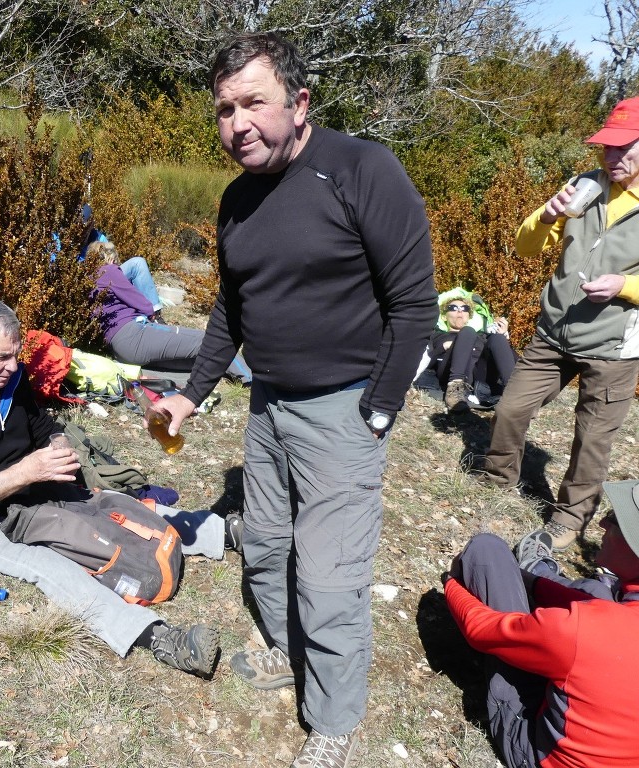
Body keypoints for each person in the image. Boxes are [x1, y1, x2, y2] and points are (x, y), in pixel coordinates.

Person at [155, 33, 437, 767]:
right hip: (268, 407)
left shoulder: (361, 169)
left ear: (300, 102)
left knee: (330, 577)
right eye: (224, 109)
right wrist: (191, 396)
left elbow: (414, 305)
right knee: (268, 549)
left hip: (344, 409)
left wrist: (377, 412)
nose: (237, 123)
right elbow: (230, 309)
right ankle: (287, 649)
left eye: (254, 102)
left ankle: (334, 720)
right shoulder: (237, 199)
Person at [0, 297, 232, 677]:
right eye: (1, 357)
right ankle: (156, 637)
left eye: (16, 355)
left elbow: (40, 425)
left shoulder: (11, 378)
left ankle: (223, 532)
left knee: (108, 503)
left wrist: (57, 443)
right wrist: (25, 472)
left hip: (30, 488)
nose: (12, 366)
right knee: (48, 566)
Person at [476, 96, 639, 552]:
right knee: (510, 408)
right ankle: (498, 476)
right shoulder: (584, 185)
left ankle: (569, 518)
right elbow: (527, 247)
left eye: (624, 148)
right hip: (554, 330)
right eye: (606, 147)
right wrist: (547, 215)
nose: (611, 158)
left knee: (592, 438)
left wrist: (624, 285)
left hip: (613, 346)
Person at [443, 478, 639, 768]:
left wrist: (452, 585)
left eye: (614, 521)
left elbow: (480, 629)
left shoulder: (584, 627)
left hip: (538, 755)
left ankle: (534, 567)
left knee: (487, 550)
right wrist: (533, 584)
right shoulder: (600, 621)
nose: (602, 527)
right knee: (598, 591)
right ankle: (536, 570)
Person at [89, 241, 252, 383]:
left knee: (192, 360)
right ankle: (249, 378)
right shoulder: (108, 271)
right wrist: (152, 312)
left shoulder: (89, 281)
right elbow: (142, 304)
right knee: (210, 340)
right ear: (108, 257)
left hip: (122, 350)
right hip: (134, 334)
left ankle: (230, 371)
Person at [429, 296, 516, 412]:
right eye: (453, 308)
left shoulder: (482, 336)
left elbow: (513, 359)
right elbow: (426, 363)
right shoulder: (438, 336)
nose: (460, 311)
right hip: (450, 370)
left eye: (465, 308)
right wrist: (443, 347)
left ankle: (514, 395)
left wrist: (504, 337)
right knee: (468, 331)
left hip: (479, 376)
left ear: (468, 316)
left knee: (497, 338)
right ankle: (455, 390)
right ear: (444, 316)